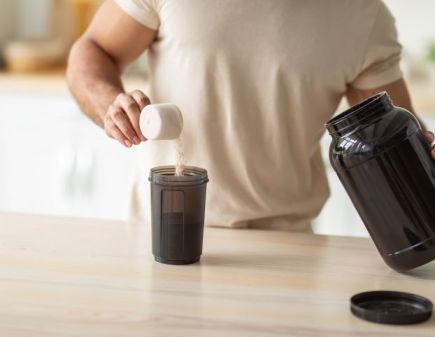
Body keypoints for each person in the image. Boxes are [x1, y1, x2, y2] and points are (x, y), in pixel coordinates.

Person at [67, 0, 435, 233]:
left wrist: (425, 159)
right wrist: (110, 104)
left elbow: (396, 140)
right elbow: (95, 49)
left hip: (288, 249)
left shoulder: (362, 14)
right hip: (163, 231)